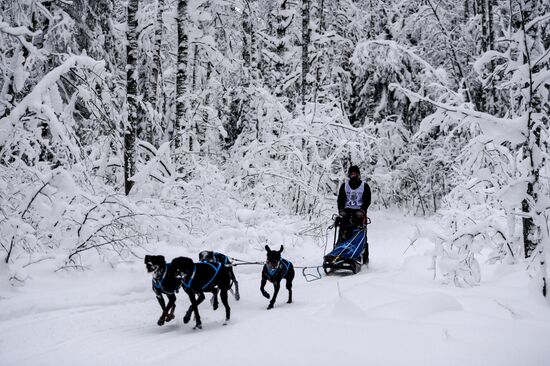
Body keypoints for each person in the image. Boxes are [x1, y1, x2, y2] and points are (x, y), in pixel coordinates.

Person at [337, 165, 371, 242]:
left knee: (359, 234)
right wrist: (341, 210)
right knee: (343, 232)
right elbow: (340, 199)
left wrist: (363, 210)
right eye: (351, 174)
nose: (353, 176)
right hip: (347, 212)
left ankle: (361, 251)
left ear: (358, 175)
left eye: (355, 174)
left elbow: (367, 200)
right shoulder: (344, 186)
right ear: (349, 175)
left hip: (360, 213)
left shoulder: (364, 186)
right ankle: (339, 248)